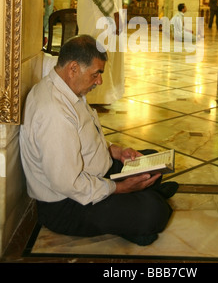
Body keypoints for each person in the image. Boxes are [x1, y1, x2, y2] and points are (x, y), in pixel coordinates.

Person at [19, 35, 178, 246]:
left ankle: (142, 195)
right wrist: (119, 188)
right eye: (96, 74)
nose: (99, 81)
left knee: (149, 158)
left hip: (97, 173)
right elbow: (69, 183)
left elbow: (86, 137)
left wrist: (116, 151)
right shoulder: (53, 113)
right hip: (69, 204)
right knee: (154, 213)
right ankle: (142, 200)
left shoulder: (68, 89)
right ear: (73, 68)